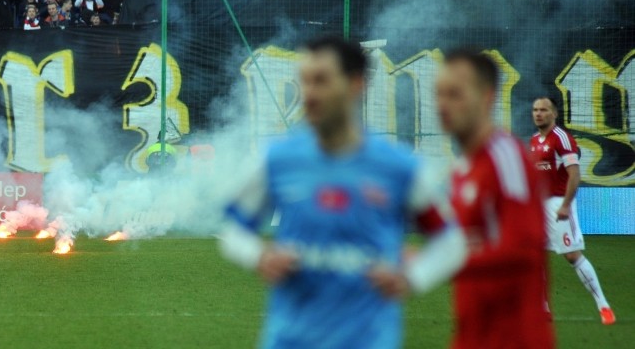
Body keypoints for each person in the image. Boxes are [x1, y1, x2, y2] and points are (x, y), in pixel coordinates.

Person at [219, 36, 467, 349]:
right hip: (289, 340)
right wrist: (260, 256)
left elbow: (451, 242)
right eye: (304, 82)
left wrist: (411, 277)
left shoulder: (399, 168)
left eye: (320, 81)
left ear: (355, 84)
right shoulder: (277, 161)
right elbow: (233, 231)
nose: (308, 94)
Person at [434, 50, 554, 348]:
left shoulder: (505, 156)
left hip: (514, 339)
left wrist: (431, 262)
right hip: (473, 336)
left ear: (486, 96)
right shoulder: (463, 168)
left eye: (455, 94)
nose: (442, 105)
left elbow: (523, 251)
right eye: (439, 94)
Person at [530, 96, 615, 325]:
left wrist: (566, 205)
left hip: (559, 204)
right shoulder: (534, 140)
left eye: (544, 110)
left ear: (554, 114)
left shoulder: (562, 139)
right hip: (540, 205)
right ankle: (543, 309)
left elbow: (574, 174)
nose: (538, 114)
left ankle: (603, 306)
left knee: (572, 255)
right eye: (536, 110)